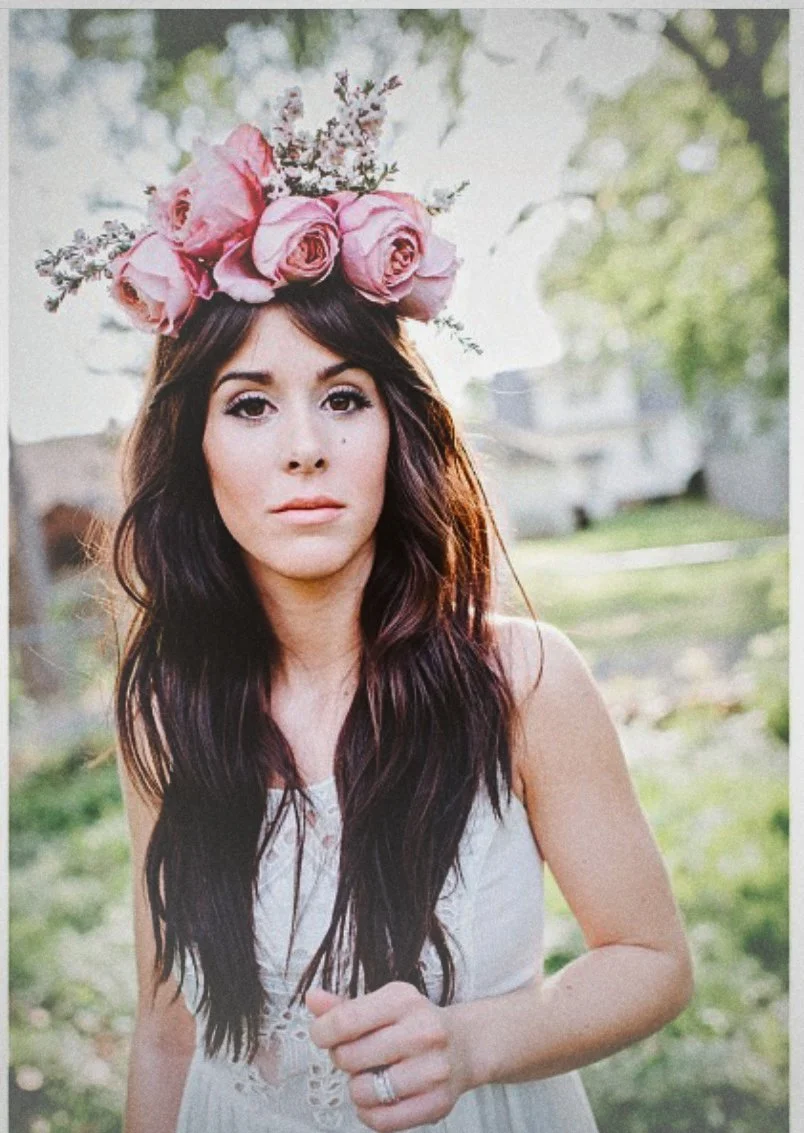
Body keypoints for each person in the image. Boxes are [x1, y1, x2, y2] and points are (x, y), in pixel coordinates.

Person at [39, 74, 694, 1133]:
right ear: (195, 450)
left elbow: (652, 958)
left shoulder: (523, 679)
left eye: (344, 396)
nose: (305, 444)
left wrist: (473, 1042)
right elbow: (166, 1031)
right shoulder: (166, 705)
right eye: (251, 405)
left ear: (398, 429)